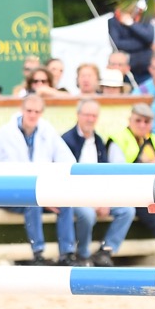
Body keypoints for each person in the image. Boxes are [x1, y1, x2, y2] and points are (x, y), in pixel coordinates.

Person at [0, 94, 77, 265]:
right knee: (33, 202)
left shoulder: (47, 131)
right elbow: (8, 174)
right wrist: (42, 197)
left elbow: (67, 160)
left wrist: (52, 191)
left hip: (41, 192)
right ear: (21, 110)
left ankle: (67, 254)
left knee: (65, 202)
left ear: (42, 113)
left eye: (37, 111)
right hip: (10, 194)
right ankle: (38, 254)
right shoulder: (5, 133)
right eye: (29, 110)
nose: (32, 115)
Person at [105, 103, 155, 262]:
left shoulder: (154, 139)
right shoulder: (119, 139)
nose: (142, 125)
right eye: (138, 120)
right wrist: (148, 166)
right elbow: (118, 173)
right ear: (130, 120)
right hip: (130, 195)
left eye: (146, 122)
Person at [58, 99, 133, 266]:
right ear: (78, 116)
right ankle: (83, 254)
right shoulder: (66, 140)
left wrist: (104, 199)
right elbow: (65, 176)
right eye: (87, 115)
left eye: (94, 115)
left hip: (98, 194)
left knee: (127, 210)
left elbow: (105, 174)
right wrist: (89, 201)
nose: (90, 119)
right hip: (73, 196)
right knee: (87, 214)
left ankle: (106, 251)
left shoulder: (98, 140)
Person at [107, 0, 155, 83]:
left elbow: (149, 37)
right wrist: (142, 44)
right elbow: (117, 44)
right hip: (124, 72)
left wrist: (131, 24)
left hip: (146, 71)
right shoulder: (113, 21)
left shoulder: (144, 16)